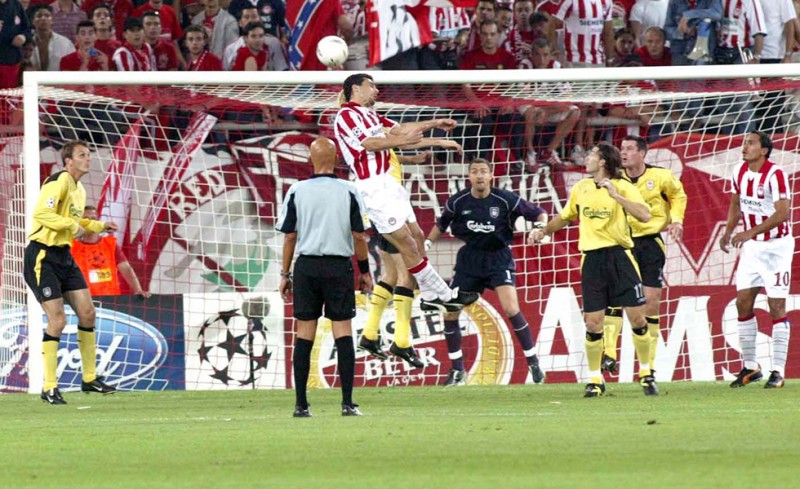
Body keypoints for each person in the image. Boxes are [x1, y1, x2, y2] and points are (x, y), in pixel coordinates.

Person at [334, 73, 479, 327]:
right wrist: (403, 139)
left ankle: (430, 297)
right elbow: (370, 143)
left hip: (390, 185)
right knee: (405, 248)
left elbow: (402, 131)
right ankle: (445, 296)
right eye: (371, 85)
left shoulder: (372, 115)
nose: (377, 90)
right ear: (355, 88)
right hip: (373, 188)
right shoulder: (346, 115)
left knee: (417, 237)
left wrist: (436, 128)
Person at [528, 143, 656, 397]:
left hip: (620, 257)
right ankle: (595, 380)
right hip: (592, 260)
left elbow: (645, 215)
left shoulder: (623, 186)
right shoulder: (581, 188)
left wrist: (617, 196)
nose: (586, 159)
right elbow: (565, 217)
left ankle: (646, 373)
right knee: (593, 322)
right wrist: (543, 230)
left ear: (603, 161)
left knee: (637, 319)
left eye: (591, 155)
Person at [426, 158, 548, 386]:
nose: (479, 175)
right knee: (450, 312)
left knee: (511, 308)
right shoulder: (458, 201)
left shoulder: (505, 199)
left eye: (483, 171)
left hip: (498, 258)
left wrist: (540, 227)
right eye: (475, 171)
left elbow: (539, 212)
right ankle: (457, 370)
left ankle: (533, 364)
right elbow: (441, 224)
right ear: (469, 176)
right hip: (470, 259)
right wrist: (427, 244)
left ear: (491, 176)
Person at [276, 137, 374, 417]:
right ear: (336, 160)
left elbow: (290, 236)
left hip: (306, 267)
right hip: (338, 267)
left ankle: (300, 405)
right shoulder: (349, 190)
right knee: (342, 331)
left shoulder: (297, 190)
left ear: (310, 159)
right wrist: (365, 270)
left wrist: (285, 274)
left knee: (304, 333)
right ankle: (347, 403)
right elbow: (359, 235)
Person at [23, 140, 119, 405]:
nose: (88, 159)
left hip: (64, 256)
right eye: (82, 155)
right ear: (68, 161)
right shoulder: (58, 181)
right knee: (58, 320)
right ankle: (49, 387)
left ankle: (89, 378)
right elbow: (42, 213)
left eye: (88, 154)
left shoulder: (79, 189)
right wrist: (71, 226)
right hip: (43, 256)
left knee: (88, 313)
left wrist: (99, 226)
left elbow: (77, 221)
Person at [600, 135, 687, 378]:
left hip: (649, 243)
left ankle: (648, 365)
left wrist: (677, 220)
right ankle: (609, 353)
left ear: (642, 153)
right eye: (622, 148)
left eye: (629, 149)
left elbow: (678, 196)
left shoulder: (660, 176)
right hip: (621, 242)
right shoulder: (613, 179)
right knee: (615, 296)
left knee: (651, 301)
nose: (624, 153)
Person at [720, 132, 793, 389]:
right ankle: (751, 367)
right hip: (752, 248)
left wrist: (749, 232)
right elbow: (735, 204)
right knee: (743, 302)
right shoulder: (739, 171)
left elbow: (783, 214)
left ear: (764, 151)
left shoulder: (776, 174)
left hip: (777, 248)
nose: (745, 146)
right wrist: (728, 232)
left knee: (776, 306)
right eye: (744, 143)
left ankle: (778, 371)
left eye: (751, 143)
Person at [71, 205, 150, 298]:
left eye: (93, 219)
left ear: (98, 221)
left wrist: (138, 290)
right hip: (83, 299)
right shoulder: (71, 246)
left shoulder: (110, 245)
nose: (91, 222)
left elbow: (126, 269)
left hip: (110, 300)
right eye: (86, 219)